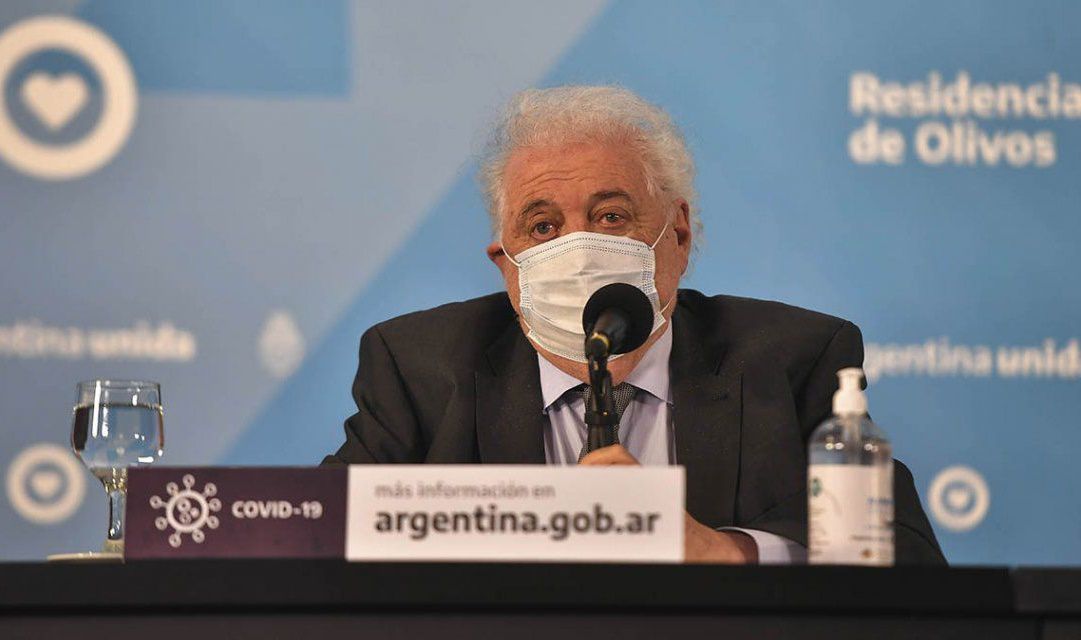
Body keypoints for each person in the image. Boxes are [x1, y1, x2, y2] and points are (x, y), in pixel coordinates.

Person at [324, 85, 945, 565]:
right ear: (506, 265)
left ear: (679, 234)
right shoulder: (419, 369)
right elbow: (317, 538)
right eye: (543, 227)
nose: (578, 248)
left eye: (611, 216)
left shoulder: (792, 358)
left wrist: (726, 552)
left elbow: (906, 554)